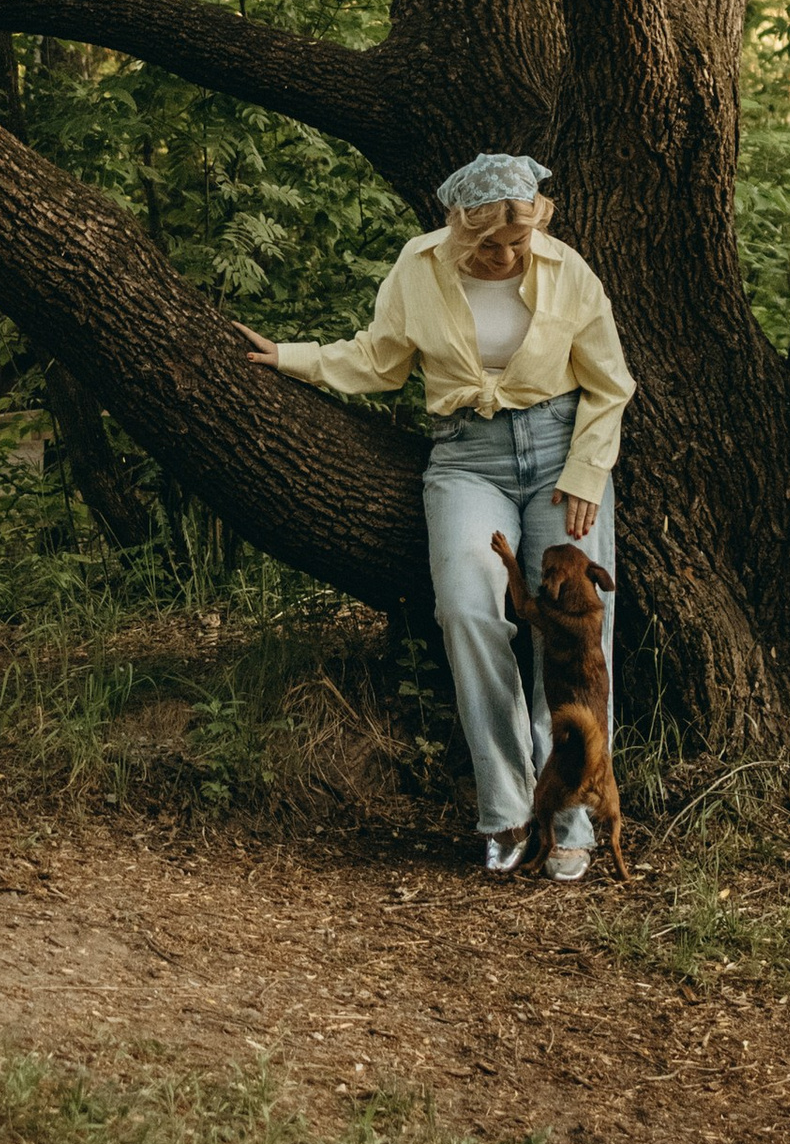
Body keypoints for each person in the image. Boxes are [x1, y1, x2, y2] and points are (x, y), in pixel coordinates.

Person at [240, 153, 633, 885]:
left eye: (519, 241)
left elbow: (610, 382)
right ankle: (508, 810)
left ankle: (574, 817)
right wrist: (291, 358)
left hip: (561, 456)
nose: (508, 255)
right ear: (460, 226)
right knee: (466, 610)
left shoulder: (565, 268)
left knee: (580, 636)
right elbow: (378, 360)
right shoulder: (418, 267)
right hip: (465, 459)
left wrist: (586, 471)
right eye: (492, 243)